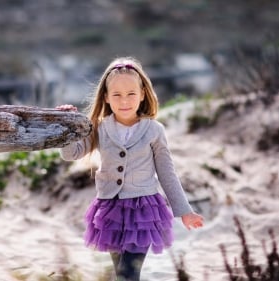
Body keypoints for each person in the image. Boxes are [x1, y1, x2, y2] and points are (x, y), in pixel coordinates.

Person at [56, 56, 203, 281]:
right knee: (120, 273)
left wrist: (183, 210)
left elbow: (167, 172)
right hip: (109, 211)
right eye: (117, 95)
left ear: (142, 94)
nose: (124, 101)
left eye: (131, 94)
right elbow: (71, 154)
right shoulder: (99, 127)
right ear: (106, 97)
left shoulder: (154, 130)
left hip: (143, 211)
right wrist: (66, 123)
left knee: (128, 273)